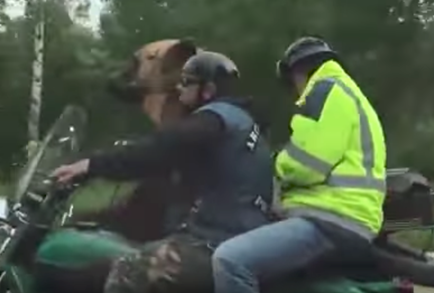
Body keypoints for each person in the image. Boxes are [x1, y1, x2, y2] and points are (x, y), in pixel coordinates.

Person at [51, 51, 275, 293]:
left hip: (215, 243)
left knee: (129, 271)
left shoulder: (214, 119)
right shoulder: (243, 125)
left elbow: (158, 151)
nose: (179, 88)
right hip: (237, 238)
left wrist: (90, 166)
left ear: (208, 89)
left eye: (187, 82)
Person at [211, 36, 387, 293]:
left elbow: (308, 164)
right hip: (351, 219)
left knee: (230, 259)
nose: (294, 89)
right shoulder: (350, 95)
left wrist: (273, 166)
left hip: (329, 218)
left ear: (298, 71)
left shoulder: (324, 91)